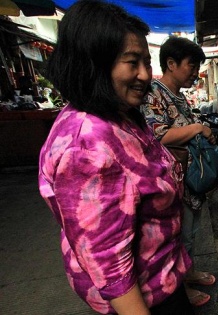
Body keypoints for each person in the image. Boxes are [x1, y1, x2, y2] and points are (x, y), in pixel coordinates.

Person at [37, 1, 194, 314]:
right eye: (132, 62)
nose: (144, 75)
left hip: (160, 275)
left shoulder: (115, 111)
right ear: (94, 63)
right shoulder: (88, 146)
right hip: (145, 297)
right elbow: (111, 268)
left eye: (147, 63)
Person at [140, 35, 217, 307]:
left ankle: (189, 271)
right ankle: (180, 288)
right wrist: (197, 129)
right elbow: (157, 136)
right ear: (171, 63)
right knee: (178, 236)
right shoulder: (153, 95)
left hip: (190, 180)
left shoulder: (178, 97)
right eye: (191, 65)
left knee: (191, 232)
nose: (195, 73)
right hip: (171, 183)